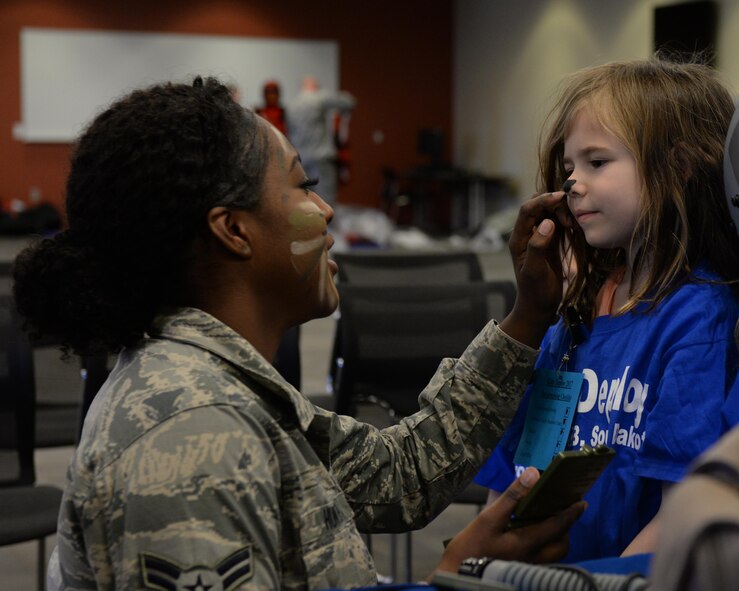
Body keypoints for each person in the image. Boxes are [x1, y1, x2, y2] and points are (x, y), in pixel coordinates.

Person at [13, 77, 583, 591]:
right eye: (302, 186)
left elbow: (401, 472)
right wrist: (451, 580)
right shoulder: (191, 434)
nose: (327, 209)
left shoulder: (223, 391)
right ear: (234, 230)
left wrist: (529, 314)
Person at [474, 57, 739, 563]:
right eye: (570, 167)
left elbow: (682, 508)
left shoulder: (698, 317)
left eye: (597, 163)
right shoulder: (575, 313)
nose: (573, 183)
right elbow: (521, 471)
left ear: (680, 166)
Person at [287, 75, 355, 207]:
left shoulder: (292, 105)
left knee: (306, 199)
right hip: (321, 158)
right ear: (314, 87)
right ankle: (328, 227)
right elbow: (348, 102)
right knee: (326, 200)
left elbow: (290, 132)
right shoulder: (319, 98)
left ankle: (310, 227)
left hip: (302, 160)